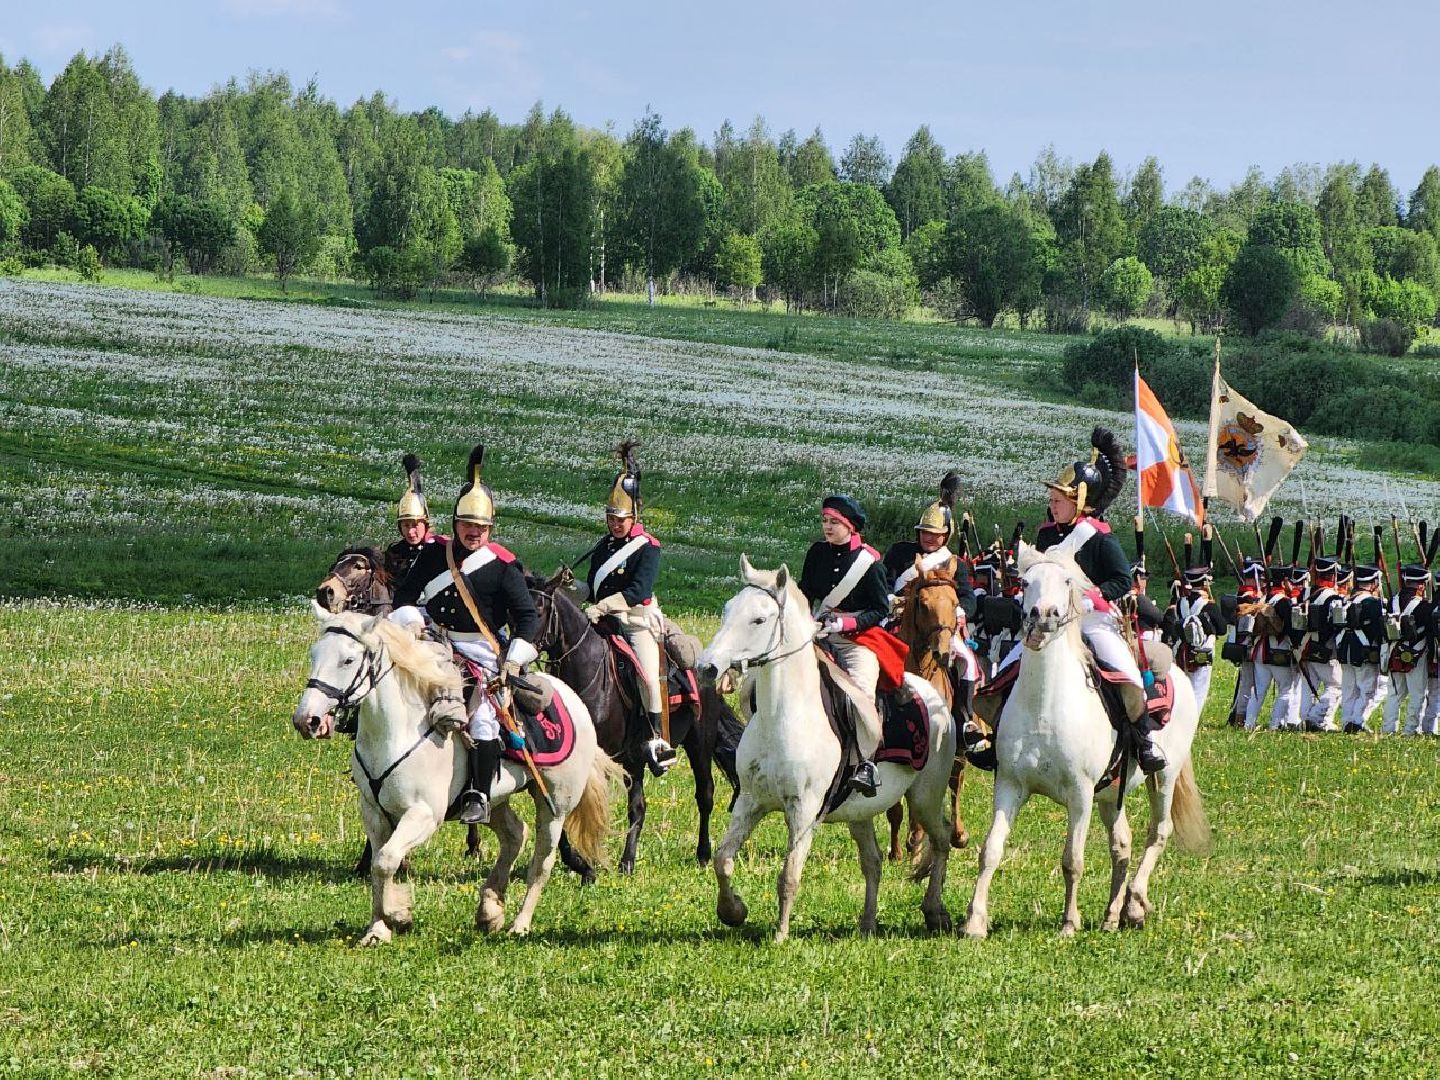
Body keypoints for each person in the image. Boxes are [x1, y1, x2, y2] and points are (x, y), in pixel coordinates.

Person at [390, 444, 539, 825]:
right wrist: (413, 624)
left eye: (482, 528)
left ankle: (478, 792)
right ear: (455, 524)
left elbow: (526, 618)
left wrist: (514, 660)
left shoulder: (504, 566)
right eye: (468, 526)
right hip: (435, 641)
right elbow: (405, 598)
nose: (475, 533)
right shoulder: (433, 557)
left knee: (486, 717)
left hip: (481, 649)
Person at [1036, 427, 1166, 774]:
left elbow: (1123, 580)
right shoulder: (1045, 534)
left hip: (1093, 618)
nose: (1052, 504)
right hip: (1050, 619)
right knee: (1007, 669)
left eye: (1059, 499)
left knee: (1129, 678)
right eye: (1052, 499)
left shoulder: (1100, 538)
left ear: (1078, 501)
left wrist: (1093, 598)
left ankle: (1144, 741)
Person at [563, 441, 675, 773]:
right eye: (611, 517)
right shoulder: (604, 545)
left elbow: (638, 590)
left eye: (620, 518)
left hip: (635, 621)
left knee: (647, 677)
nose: (614, 523)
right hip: (602, 621)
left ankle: (657, 739)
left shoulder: (648, 547)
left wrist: (602, 607)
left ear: (634, 516)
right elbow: (593, 589)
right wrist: (572, 586)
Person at [799, 494, 896, 797]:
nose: (827, 527)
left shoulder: (870, 563)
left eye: (834, 522)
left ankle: (864, 762)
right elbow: (805, 592)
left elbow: (881, 609)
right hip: (817, 630)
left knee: (863, 691)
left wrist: (847, 624)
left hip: (856, 638)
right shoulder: (816, 553)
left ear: (850, 527)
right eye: (825, 521)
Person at [882, 470, 977, 628]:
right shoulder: (899, 552)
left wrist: (959, 612)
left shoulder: (955, 563)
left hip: (938, 623)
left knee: (963, 653)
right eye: (925, 532)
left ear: (946, 536)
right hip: (897, 617)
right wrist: (890, 599)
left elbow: (968, 598)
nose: (929, 537)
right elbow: (886, 583)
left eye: (935, 534)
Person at [1163, 562, 1224, 717]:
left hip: (1183, 651)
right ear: (1204, 582)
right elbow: (1222, 629)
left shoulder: (1179, 603)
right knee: (1199, 689)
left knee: (1185, 686)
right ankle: (1191, 720)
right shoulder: (1208, 605)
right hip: (1203, 652)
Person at [1381, 564, 1432, 736]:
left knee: (1394, 694)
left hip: (1394, 652)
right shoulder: (1424, 606)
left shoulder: (1392, 602)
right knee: (1417, 694)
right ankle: (1410, 730)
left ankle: (1388, 729)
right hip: (1416, 655)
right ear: (1420, 585)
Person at [1298, 556, 1346, 733]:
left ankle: (1304, 718)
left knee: (1309, 686)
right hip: (1326, 649)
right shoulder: (1333, 597)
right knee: (1336, 685)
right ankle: (1317, 718)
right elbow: (1337, 625)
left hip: (1306, 646)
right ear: (1333, 575)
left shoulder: (1306, 593)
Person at [1337, 566, 1386, 734]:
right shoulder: (1372, 603)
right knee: (1368, 689)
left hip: (1344, 648)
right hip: (1363, 649)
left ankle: (1347, 721)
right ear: (1373, 583)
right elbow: (1377, 630)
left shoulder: (1345, 600)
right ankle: (1357, 721)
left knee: (1349, 689)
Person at [384, 453, 445, 583]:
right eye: (406, 526)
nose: (411, 532)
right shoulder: (394, 553)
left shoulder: (440, 551)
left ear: (425, 524)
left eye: (415, 525)